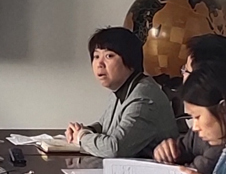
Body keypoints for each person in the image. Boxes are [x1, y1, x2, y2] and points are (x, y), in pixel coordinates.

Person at [65, 26, 178, 158]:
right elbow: (104, 126)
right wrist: (86, 130)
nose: (99, 64)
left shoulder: (144, 98)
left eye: (109, 56)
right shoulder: (122, 88)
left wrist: (82, 137)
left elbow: (115, 148)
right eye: (96, 56)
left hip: (151, 170)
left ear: (130, 60)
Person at [152, 33, 226, 174]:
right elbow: (185, 146)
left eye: (186, 71)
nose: (183, 77)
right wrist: (168, 150)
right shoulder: (206, 123)